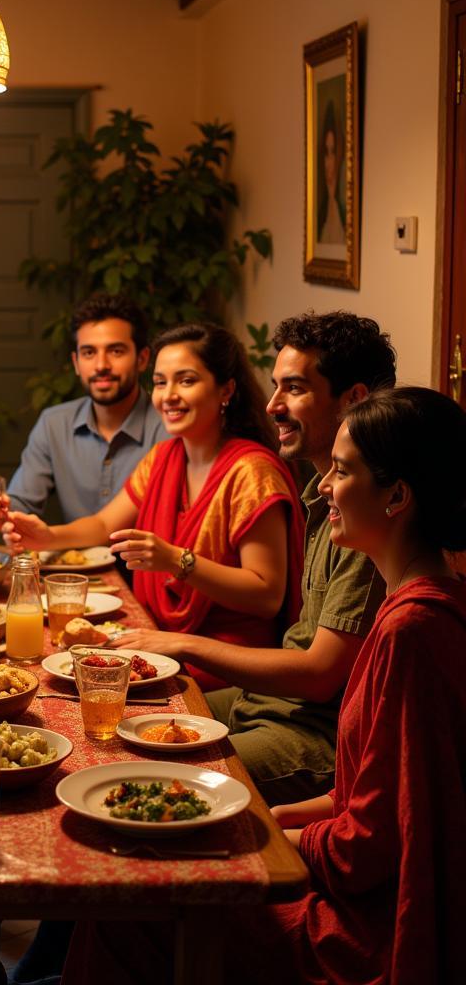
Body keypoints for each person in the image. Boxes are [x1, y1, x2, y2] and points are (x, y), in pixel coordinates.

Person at [60, 386, 466, 985]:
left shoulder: (412, 630)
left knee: (135, 904)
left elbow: (369, 849)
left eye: (343, 472)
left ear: (397, 496)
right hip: (356, 876)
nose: (323, 486)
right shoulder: (415, 604)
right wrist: (275, 817)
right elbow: (375, 795)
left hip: (366, 930)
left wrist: (281, 842)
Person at [128, 311, 394, 805]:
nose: (272, 405)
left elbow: (318, 677)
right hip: (269, 704)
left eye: (294, 388)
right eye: (275, 387)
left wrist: (184, 645)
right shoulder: (320, 491)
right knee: (122, 719)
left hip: (313, 735)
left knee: (147, 779)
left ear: (354, 399)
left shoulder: (368, 520)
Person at [0, 322, 304, 692]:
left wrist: (177, 561)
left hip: (225, 664)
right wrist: (46, 536)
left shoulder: (252, 471)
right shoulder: (165, 455)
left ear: (226, 390)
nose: (168, 395)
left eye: (185, 381)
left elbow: (266, 596)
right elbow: (105, 524)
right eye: (161, 382)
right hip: (160, 642)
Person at [0, 293, 167, 521]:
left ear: (142, 359)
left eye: (116, 351)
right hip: (73, 557)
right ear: (76, 363)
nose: (101, 365)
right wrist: (1, 511)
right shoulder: (54, 424)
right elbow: (22, 505)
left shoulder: (168, 427)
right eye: (89, 353)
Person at [317, 98, 346, 245]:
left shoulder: (345, 214)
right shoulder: (320, 215)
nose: (328, 164)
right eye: (326, 153)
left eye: (333, 152)